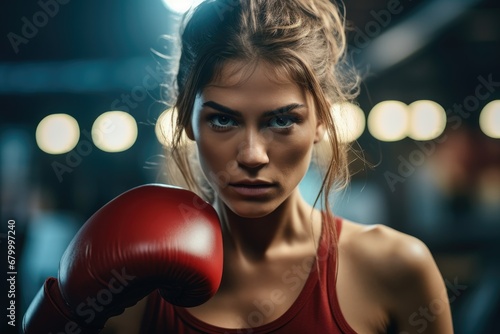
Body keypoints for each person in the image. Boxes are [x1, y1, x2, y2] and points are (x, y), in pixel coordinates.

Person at [23, 0, 454, 333]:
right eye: (223, 119)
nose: (252, 155)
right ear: (186, 118)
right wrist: (61, 312)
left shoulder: (396, 268)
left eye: (282, 119)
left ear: (322, 120)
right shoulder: (131, 288)